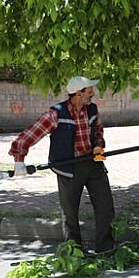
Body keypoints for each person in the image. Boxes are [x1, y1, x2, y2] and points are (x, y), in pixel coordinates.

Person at [9, 76, 115, 253]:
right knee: (70, 215)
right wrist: (19, 160)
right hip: (69, 168)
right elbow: (29, 134)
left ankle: (106, 249)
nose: (93, 94)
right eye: (89, 90)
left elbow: (98, 130)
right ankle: (75, 252)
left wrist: (98, 145)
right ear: (78, 93)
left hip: (93, 163)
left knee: (106, 208)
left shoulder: (92, 109)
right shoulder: (56, 114)